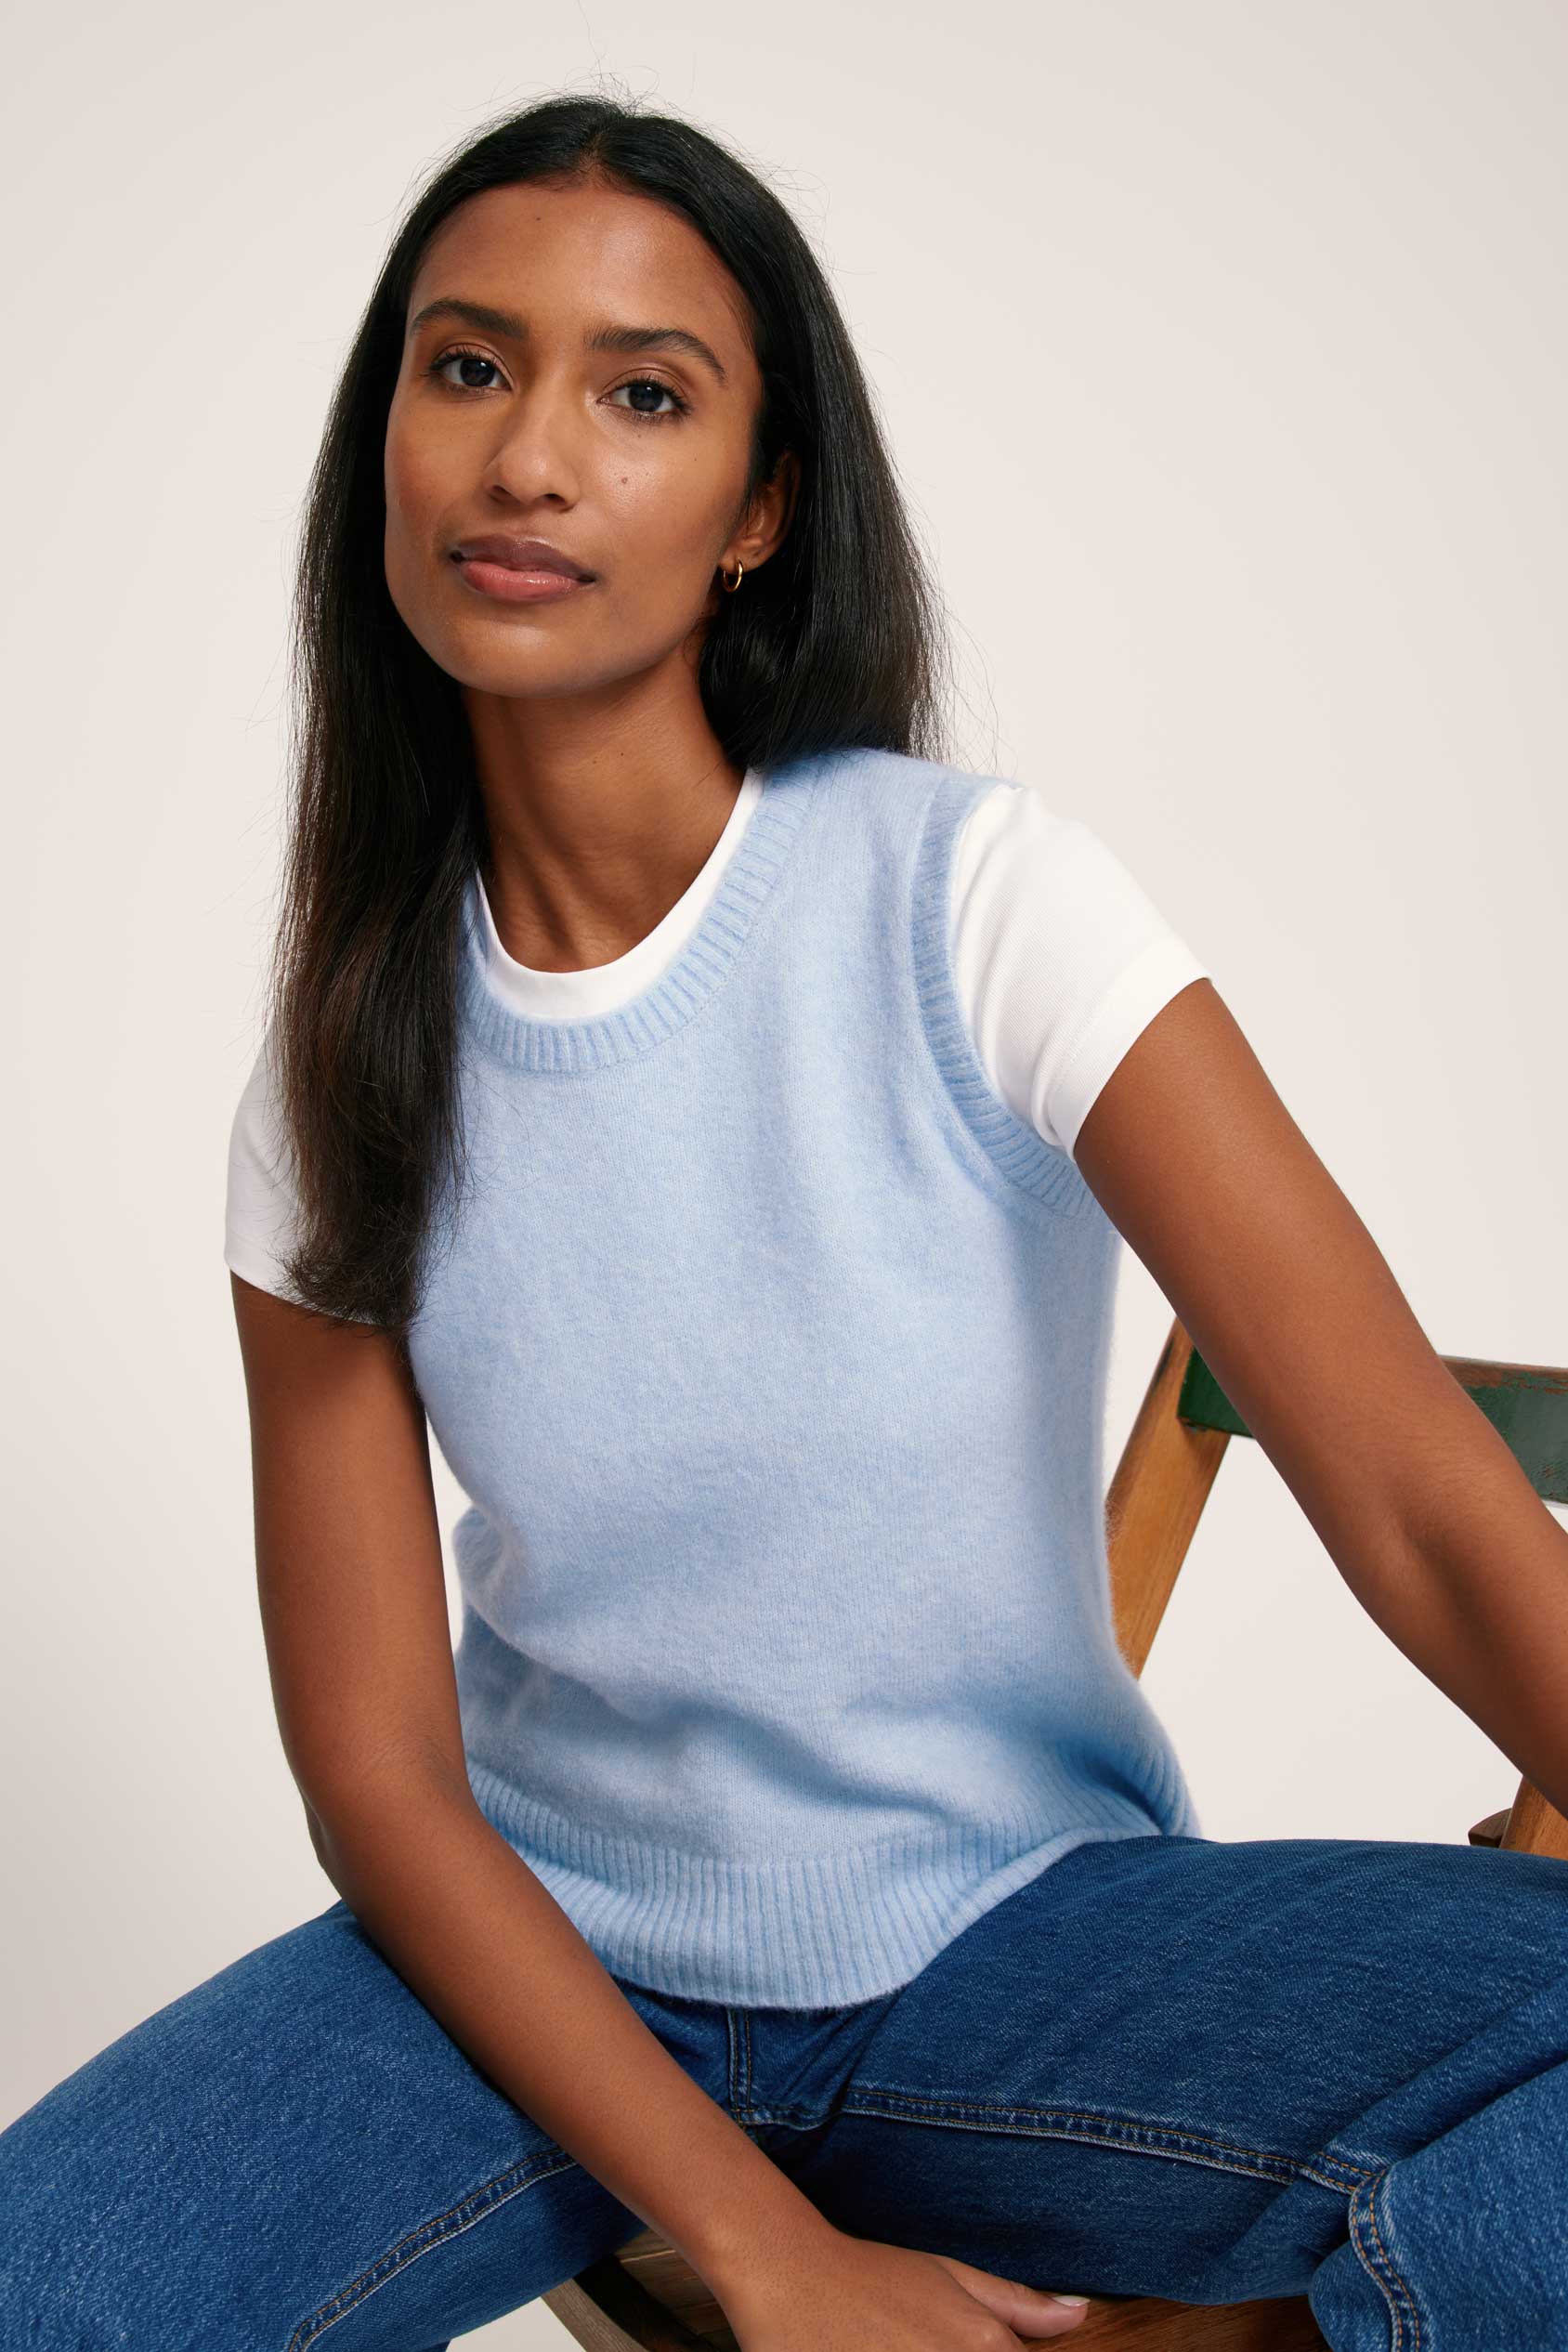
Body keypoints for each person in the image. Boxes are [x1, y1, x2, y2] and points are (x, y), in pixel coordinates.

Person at [5, 88, 1568, 2352]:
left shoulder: (969, 902)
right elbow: (376, 1778)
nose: (531, 455)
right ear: (388, 454)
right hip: (529, 1983)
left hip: (1017, 1957)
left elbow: (1416, 1499)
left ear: (755, 512)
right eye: (467, 367)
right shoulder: (340, 1073)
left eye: (642, 394)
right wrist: (762, 2250)